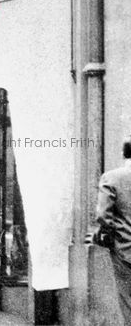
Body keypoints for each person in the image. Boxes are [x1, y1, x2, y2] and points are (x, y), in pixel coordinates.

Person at [96, 137, 131, 323]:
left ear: (123, 154)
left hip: (124, 248)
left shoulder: (112, 178)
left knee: (127, 300)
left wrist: (110, 237)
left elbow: (103, 215)